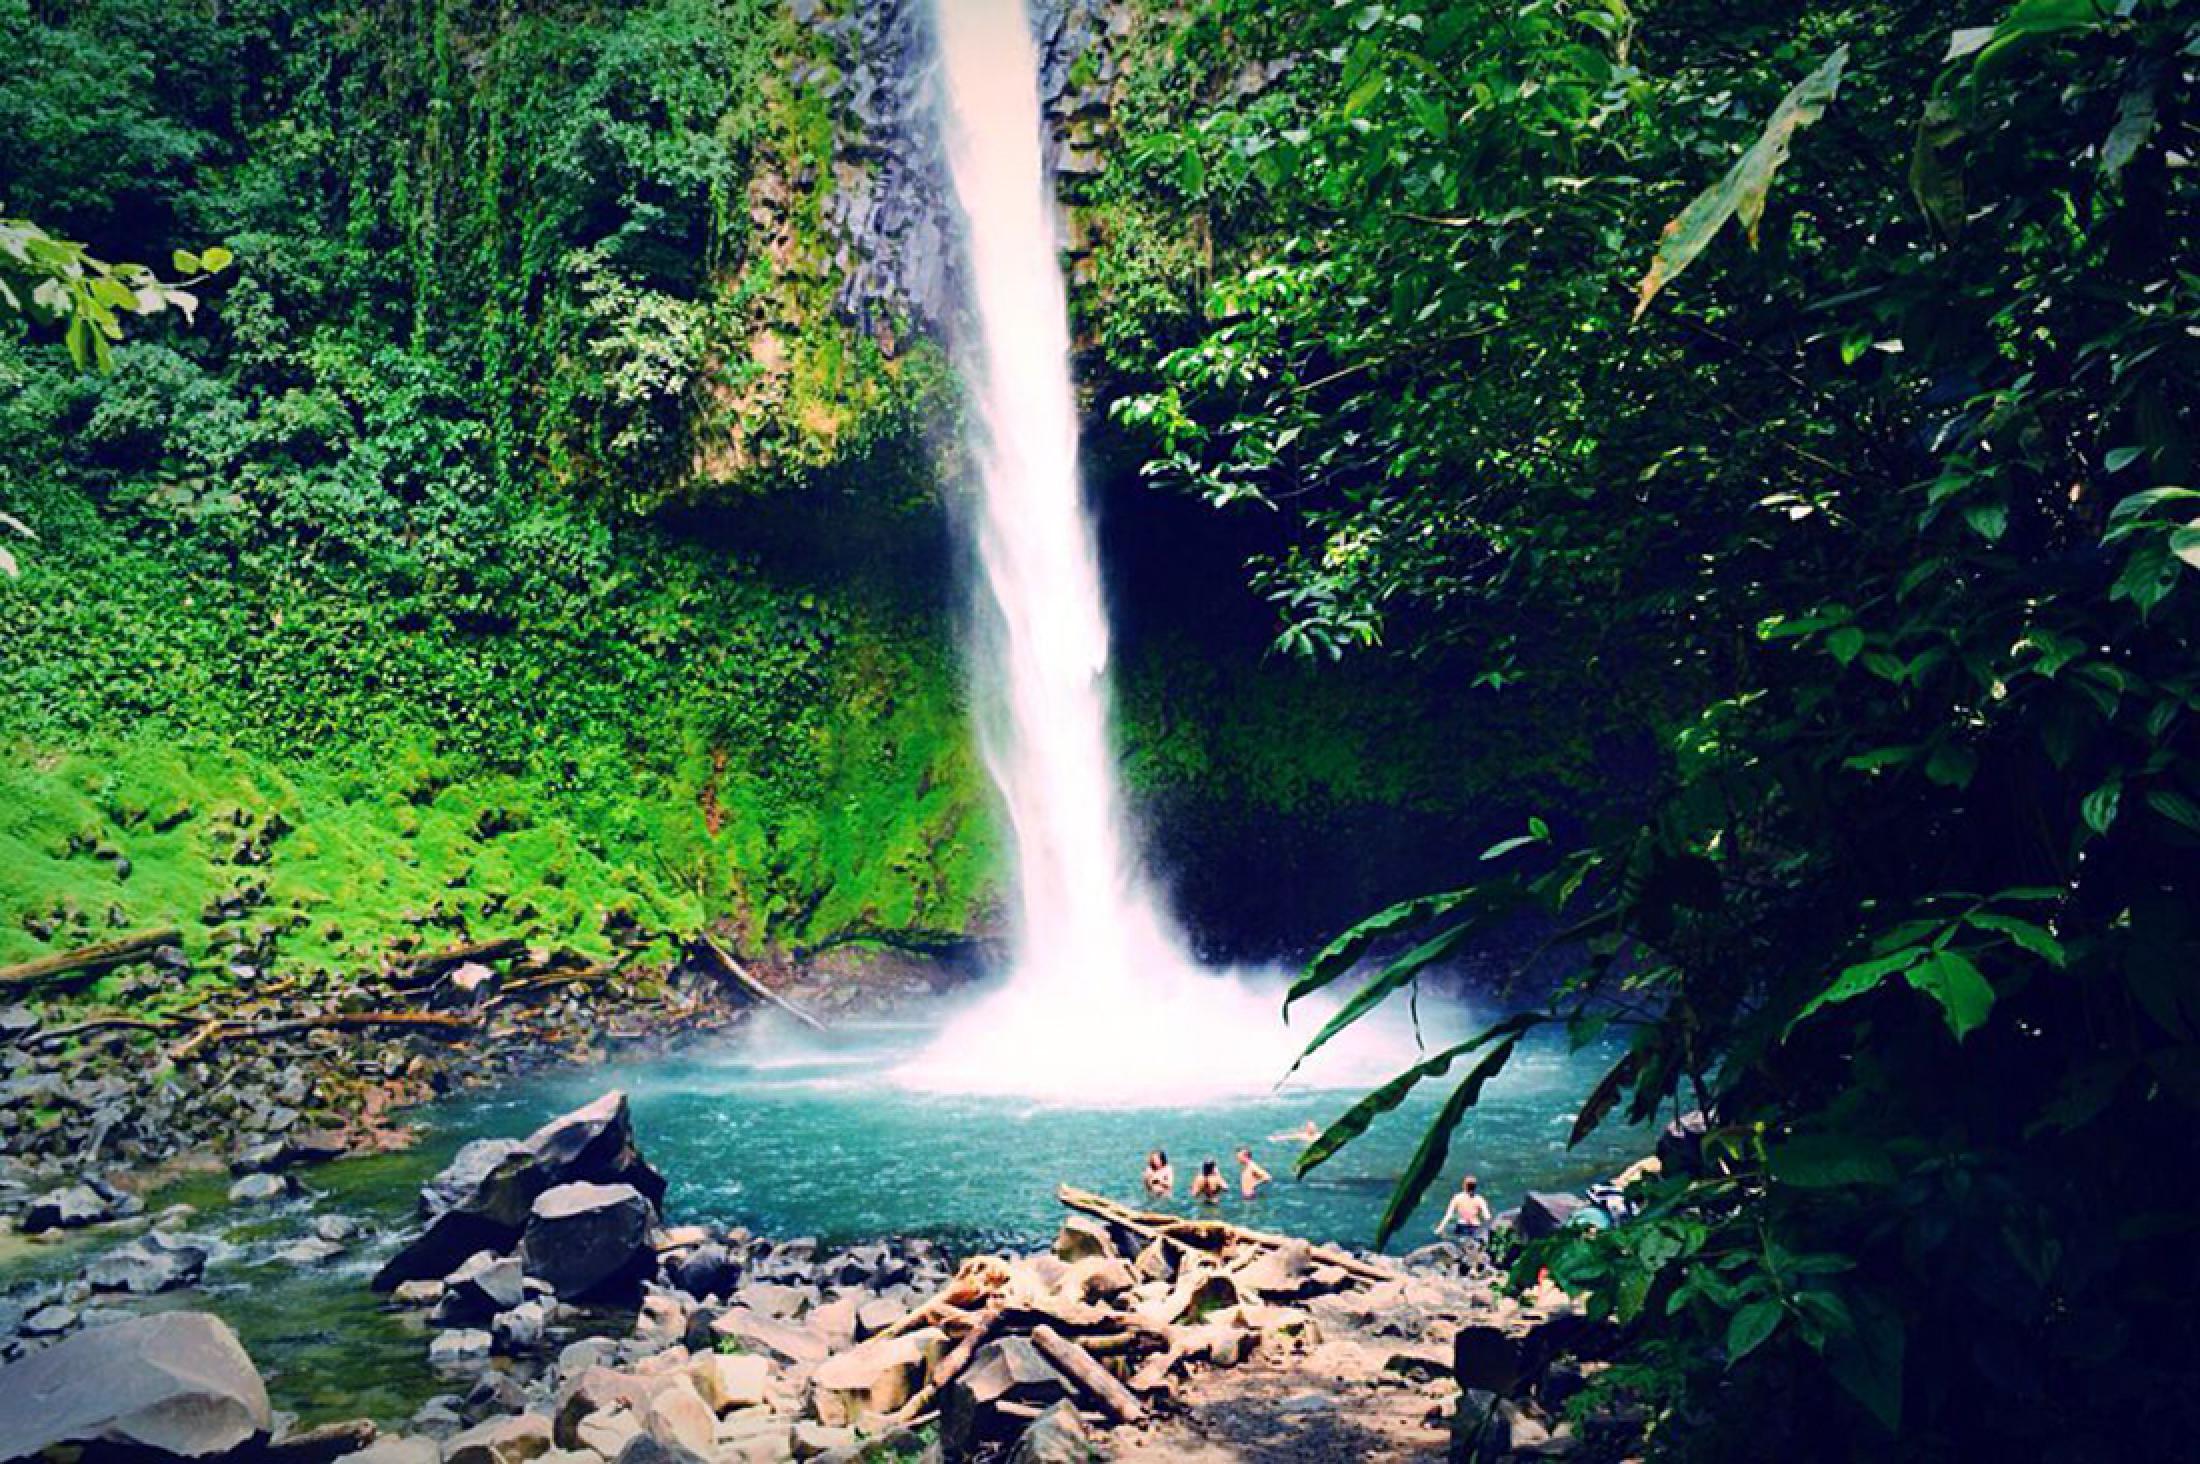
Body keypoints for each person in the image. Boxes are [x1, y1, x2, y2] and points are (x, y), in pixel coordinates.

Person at [1436, 1174, 1493, 1239]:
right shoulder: (1479, 1199)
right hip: (1475, 1227)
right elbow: (1487, 1217)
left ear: (1464, 1185)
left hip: (1461, 1227)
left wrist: (1439, 1228)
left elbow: (1448, 1215)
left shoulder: (1457, 1197)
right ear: (1475, 1186)